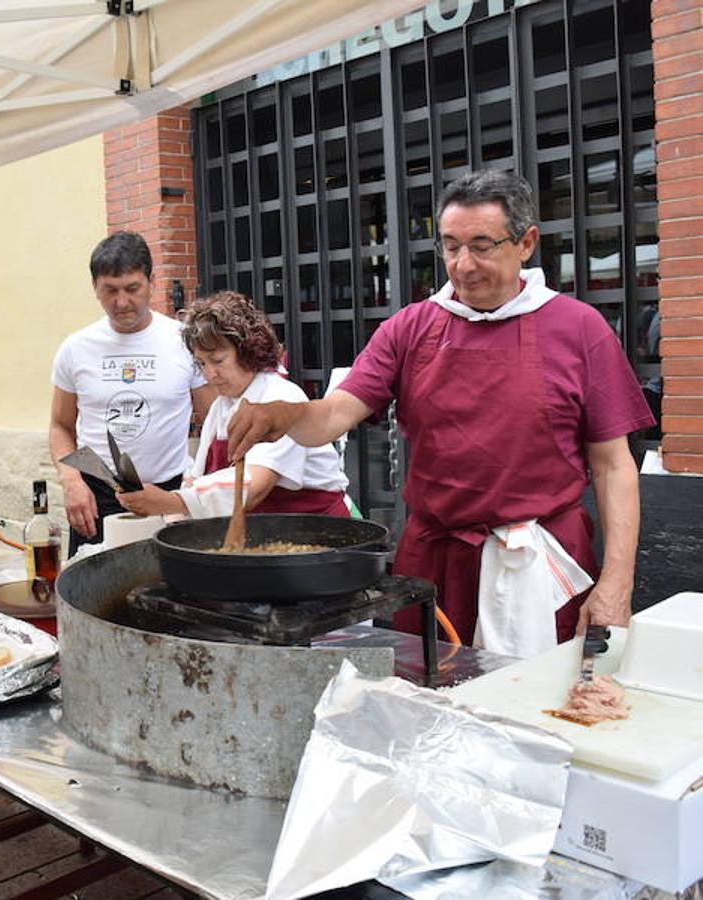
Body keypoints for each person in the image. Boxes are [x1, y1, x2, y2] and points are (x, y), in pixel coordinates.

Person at [227, 170, 654, 657]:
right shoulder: (410, 328)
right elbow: (331, 417)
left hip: (537, 562)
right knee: (428, 701)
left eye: (481, 245)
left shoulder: (579, 328)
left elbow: (614, 465)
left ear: (526, 243)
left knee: (543, 707)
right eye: (450, 246)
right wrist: (282, 414)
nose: (463, 264)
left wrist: (617, 582)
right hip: (432, 561)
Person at [116, 291, 349, 519]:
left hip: (316, 532)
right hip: (264, 535)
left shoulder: (282, 397)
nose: (210, 374)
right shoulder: (221, 407)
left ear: (248, 350)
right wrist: (171, 517)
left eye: (217, 361)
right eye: (201, 364)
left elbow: (255, 485)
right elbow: (195, 479)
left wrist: (170, 502)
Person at [50, 231, 214, 554]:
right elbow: (60, 426)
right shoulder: (75, 348)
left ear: (152, 282)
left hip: (169, 493)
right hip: (96, 494)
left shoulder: (184, 341)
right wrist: (71, 481)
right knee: (92, 596)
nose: (122, 302)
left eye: (132, 288)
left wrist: (200, 483)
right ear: (94, 287)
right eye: (110, 290)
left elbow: (214, 420)